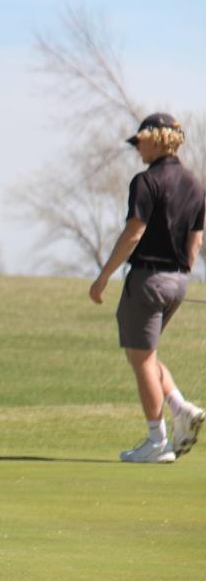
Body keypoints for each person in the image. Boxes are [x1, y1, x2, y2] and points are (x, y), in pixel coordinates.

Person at [89, 112, 206, 463]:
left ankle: (157, 440)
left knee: (140, 359)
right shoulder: (196, 185)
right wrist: (180, 271)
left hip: (147, 279)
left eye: (141, 140)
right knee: (145, 354)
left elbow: (134, 232)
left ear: (157, 140)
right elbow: (195, 243)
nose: (138, 147)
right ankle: (180, 407)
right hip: (178, 282)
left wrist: (104, 275)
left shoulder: (145, 181)